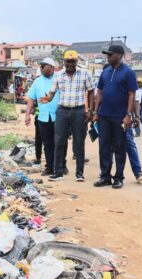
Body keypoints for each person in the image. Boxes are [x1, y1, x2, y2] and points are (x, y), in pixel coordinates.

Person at [41, 50, 95, 182]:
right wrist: (47, 98)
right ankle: (58, 172)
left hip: (79, 111)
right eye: (68, 61)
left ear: (77, 62)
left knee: (78, 143)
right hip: (62, 111)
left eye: (73, 61)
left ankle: (79, 173)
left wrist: (91, 110)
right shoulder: (58, 75)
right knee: (59, 141)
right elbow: (52, 93)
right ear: (64, 62)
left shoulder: (84, 73)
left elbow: (91, 92)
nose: (70, 64)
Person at [93, 45, 137, 189]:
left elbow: (132, 94)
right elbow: (99, 92)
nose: (108, 56)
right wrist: (95, 112)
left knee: (119, 147)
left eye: (111, 54)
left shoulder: (128, 72)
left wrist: (128, 115)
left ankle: (118, 177)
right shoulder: (105, 72)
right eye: (107, 54)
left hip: (120, 116)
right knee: (103, 146)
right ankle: (105, 176)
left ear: (120, 55)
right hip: (104, 115)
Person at [25, 58, 67, 176]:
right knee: (47, 143)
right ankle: (49, 167)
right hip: (43, 117)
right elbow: (31, 99)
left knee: (60, 142)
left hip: (59, 116)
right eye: (41, 66)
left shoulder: (59, 79)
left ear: (52, 67)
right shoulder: (37, 82)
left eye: (44, 65)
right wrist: (27, 115)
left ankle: (62, 166)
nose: (41, 67)